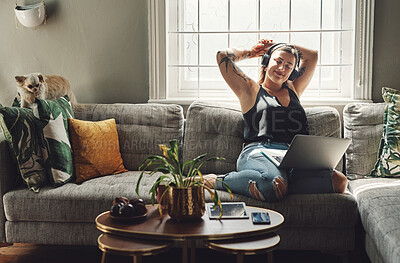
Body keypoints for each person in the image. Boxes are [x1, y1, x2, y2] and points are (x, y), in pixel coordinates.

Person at [204, 39, 348, 202]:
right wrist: (253, 52)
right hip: (260, 151)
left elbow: (312, 56)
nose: (282, 68)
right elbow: (222, 56)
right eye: (278, 61)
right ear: (266, 61)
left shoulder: (294, 89)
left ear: (293, 71)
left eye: (288, 65)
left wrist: (279, 44)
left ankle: (280, 185)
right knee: (272, 185)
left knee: (339, 181)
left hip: (293, 157)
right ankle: (216, 181)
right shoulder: (250, 90)